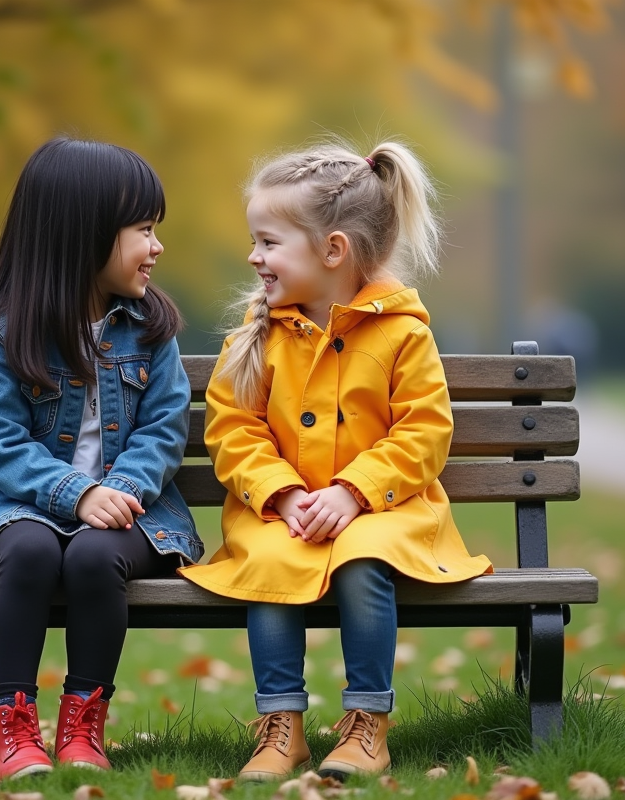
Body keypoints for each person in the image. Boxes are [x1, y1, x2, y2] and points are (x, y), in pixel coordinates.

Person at [180, 140, 492, 782]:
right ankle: (280, 727)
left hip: (384, 510)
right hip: (283, 513)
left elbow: (424, 431)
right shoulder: (258, 335)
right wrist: (283, 495)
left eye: (268, 242)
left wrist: (353, 492)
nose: (254, 257)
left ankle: (366, 724)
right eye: (255, 241)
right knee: (268, 560)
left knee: (361, 558)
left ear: (332, 251)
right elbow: (233, 427)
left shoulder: (403, 334)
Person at [0, 137, 202, 781]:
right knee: (32, 551)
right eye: (143, 229)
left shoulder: (150, 328)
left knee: (93, 554)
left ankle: (83, 723)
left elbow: (164, 428)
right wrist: (74, 494)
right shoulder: (4, 334)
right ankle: (15, 729)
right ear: (82, 235)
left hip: (134, 511)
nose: (156, 246)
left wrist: (119, 490)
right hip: (15, 509)